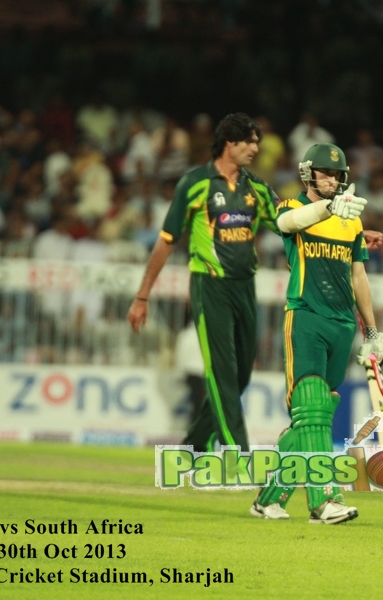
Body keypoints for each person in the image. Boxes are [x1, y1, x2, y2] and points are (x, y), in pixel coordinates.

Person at [251, 143, 383, 525]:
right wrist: (329, 207)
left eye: (336, 174)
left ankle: (268, 498)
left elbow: (358, 276)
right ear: (308, 174)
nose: (331, 179)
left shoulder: (352, 221)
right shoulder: (295, 209)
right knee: (311, 410)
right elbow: (285, 225)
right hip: (306, 317)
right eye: (323, 172)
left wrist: (371, 330)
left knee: (314, 417)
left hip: (342, 325)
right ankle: (324, 501)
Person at [128, 113, 280, 454]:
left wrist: (351, 232)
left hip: (245, 286)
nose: (257, 148)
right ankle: (239, 456)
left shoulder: (255, 186)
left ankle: (195, 445)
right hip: (210, 286)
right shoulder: (195, 183)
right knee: (223, 373)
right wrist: (142, 296)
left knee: (240, 377)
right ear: (231, 142)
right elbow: (166, 240)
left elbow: (287, 221)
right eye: (250, 141)